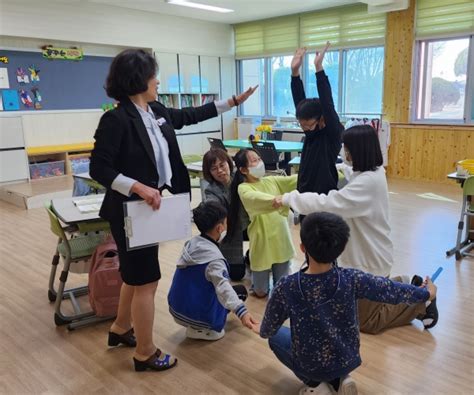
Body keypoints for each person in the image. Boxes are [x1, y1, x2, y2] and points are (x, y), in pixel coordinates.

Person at [90, 48, 257, 372]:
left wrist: (232, 102)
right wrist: (137, 186)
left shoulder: (155, 110)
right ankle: (145, 352)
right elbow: (99, 167)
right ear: (138, 79)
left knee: (134, 277)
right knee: (147, 281)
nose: (157, 80)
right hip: (131, 213)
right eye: (153, 74)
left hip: (152, 211)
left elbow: (191, 115)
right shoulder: (115, 119)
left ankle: (121, 328)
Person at [273, 125, 439, 333]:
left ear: (357, 151)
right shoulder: (373, 172)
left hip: (369, 261)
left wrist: (290, 198)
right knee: (348, 308)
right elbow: (355, 175)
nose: (344, 151)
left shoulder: (367, 184)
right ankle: (404, 284)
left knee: (368, 321)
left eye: (347, 148)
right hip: (366, 256)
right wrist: (344, 168)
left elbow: (328, 203)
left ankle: (421, 302)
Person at [259, 212, 437, 395]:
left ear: (303, 248)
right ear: (342, 248)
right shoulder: (352, 278)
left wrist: (262, 327)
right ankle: (340, 378)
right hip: (347, 358)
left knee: (276, 337)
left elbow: (267, 331)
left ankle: (317, 385)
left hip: (311, 363)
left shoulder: (287, 286)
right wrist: (426, 293)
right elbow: (390, 290)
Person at [168, 201, 258, 340]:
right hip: (197, 314)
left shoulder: (192, 243)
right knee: (240, 292)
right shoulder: (214, 261)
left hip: (176, 308)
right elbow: (224, 288)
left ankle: (196, 324)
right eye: (226, 223)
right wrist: (242, 312)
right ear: (219, 228)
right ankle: (203, 327)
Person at [227, 149, 297, 297]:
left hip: (280, 238)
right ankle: (256, 281)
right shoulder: (243, 188)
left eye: (259, 159)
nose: (260, 163)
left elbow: (295, 180)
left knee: (282, 289)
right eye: (254, 161)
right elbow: (257, 198)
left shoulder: (271, 180)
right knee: (261, 292)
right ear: (244, 170)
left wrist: (328, 169)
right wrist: (280, 199)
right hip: (261, 241)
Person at [290, 43, 343, 196]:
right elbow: (299, 101)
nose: (305, 129)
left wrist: (319, 68)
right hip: (304, 189)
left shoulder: (332, 133)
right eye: (302, 125)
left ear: (321, 119)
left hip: (324, 194)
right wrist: (294, 72)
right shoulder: (310, 132)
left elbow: (327, 103)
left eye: (308, 125)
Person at [202, 148, 249, 280]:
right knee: (236, 274)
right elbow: (215, 210)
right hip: (231, 227)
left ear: (229, 163)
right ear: (209, 172)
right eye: (214, 168)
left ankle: (253, 255)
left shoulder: (241, 176)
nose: (220, 171)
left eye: (222, 165)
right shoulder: (211, 190)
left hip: (251, 223)